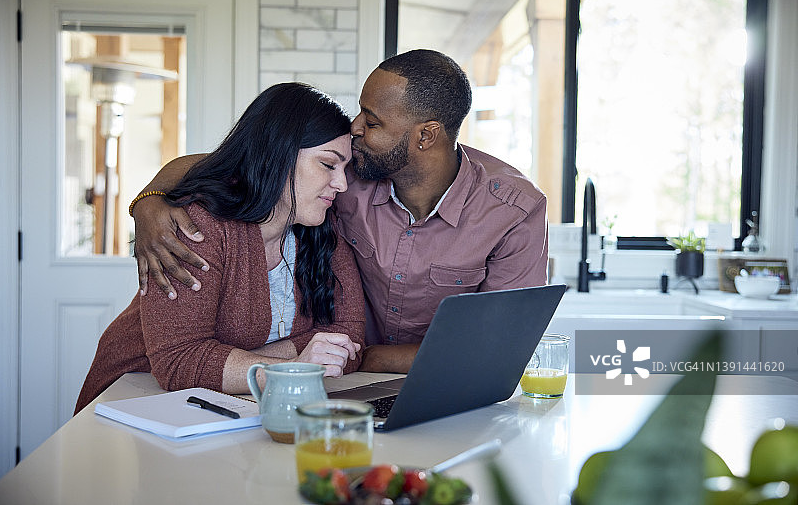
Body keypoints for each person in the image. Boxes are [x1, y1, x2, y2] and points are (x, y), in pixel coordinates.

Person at [129, 50, 548, 375]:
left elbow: (501, 347)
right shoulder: (348, 175)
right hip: (335, 378)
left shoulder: (514, 211)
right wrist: (148, 203)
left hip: (429, 377)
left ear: (426, 136)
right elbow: (242, 162)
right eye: (361, 110)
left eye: (374, 120)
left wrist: (364, 357)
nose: (356, 127)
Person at [75, 83, 365, 414]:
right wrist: (297, 364)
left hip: (229, 410)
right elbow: (179, 361)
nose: (341, 184)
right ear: (277, 155)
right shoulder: (198, 226)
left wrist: (235, 360)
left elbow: (349, 340)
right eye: (328, 165)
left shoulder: (322, 230)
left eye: (346, 169)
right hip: (131, 402)